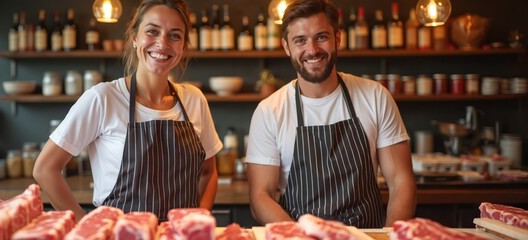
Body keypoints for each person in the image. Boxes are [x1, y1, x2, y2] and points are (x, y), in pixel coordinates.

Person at [33, 0, 222, 221]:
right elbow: (45, 169)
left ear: (183, 45)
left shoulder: (194, 100)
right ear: (134, 37)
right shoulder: (103, 98)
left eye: (175, 35)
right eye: (152, 31)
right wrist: (84, 225)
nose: (162, 43)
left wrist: (197, 223)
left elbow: (209, 173)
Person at [245, 0, 416, 228]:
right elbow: (260, 197)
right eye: (300, 40)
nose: (312, 49)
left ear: (337, 38)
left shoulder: (375, 96)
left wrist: (392, 235)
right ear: (286, 47)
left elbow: (401, 181)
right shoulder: (269, 111)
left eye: (321, 37)